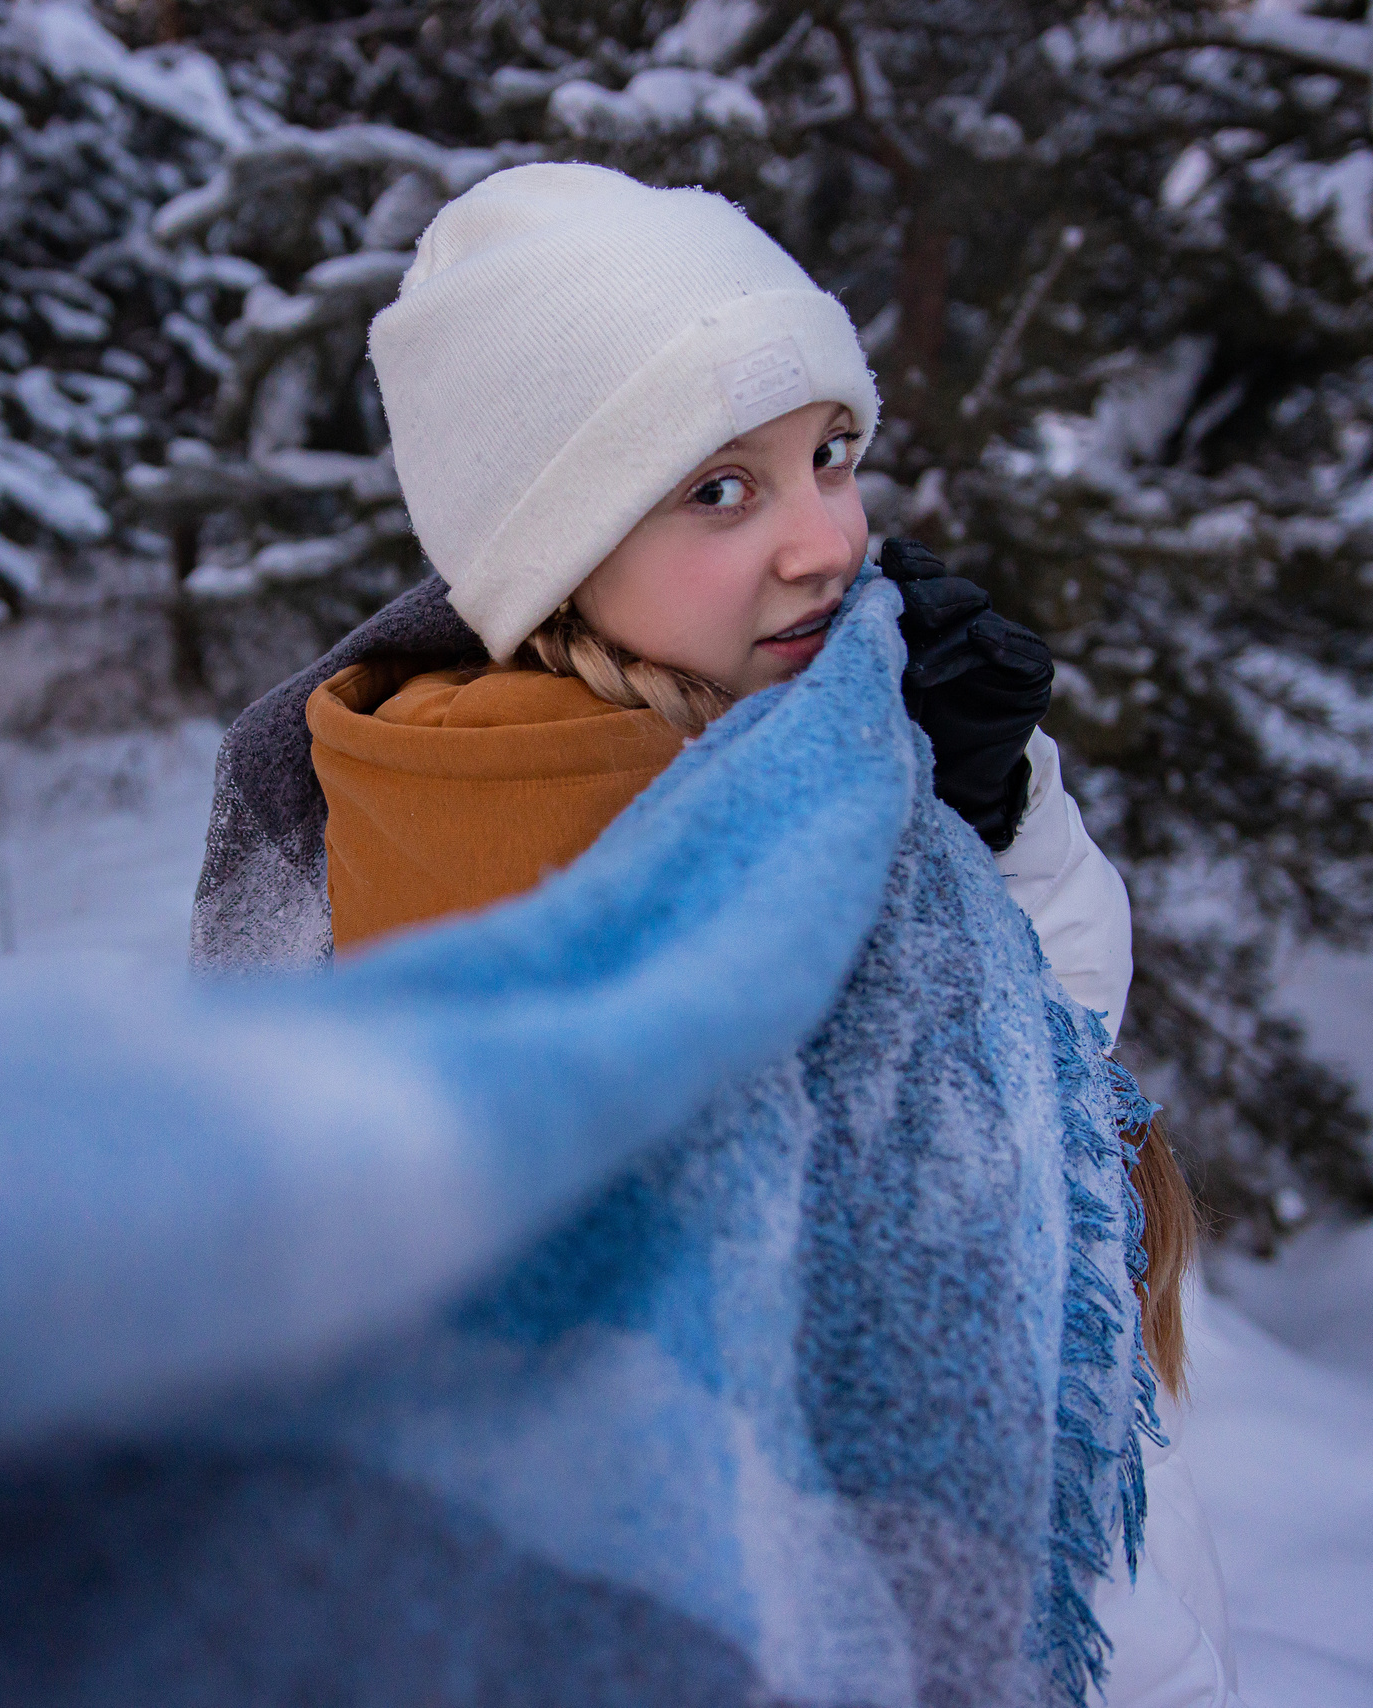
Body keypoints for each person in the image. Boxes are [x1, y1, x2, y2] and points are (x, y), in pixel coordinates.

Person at [195, 162, 1245, 1707]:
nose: (825, 540)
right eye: (719, 490)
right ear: (557, 546)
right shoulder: (570, 826)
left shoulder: (798, 734)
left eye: (829, 454)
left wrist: (990, 807)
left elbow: (1049, 1060)